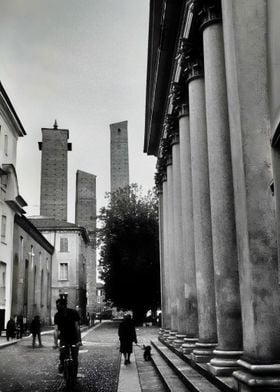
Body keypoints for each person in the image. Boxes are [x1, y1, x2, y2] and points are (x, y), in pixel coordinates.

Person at [54, 298, 81, 376]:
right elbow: (56, 330)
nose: (57, 307)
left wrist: (79, 340)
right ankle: (63, 365)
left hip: (71, 338)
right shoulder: (73, 312)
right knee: (67, 354)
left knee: (73, 356)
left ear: (63, 305)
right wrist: (56, 342)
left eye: (58, 306)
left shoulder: (58, 315)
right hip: (67, 338)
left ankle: (69, 370)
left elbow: (77, 327)